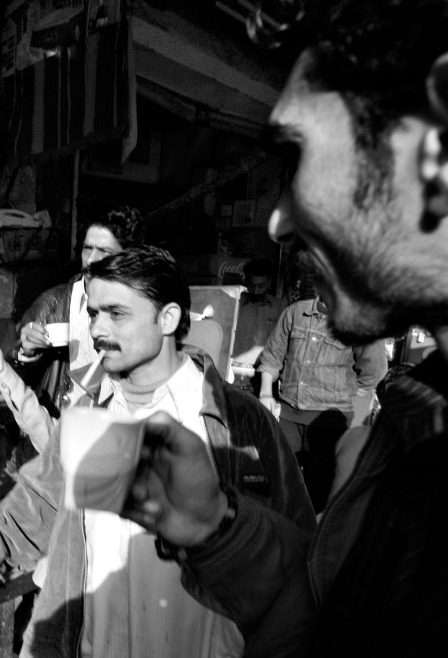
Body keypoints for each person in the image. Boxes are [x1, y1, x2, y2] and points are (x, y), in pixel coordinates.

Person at [121, 1, 448, 655]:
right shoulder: (417, 416)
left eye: (301, 154)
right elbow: (335, 613)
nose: (277, 222)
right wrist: (218, 526)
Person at [0, 246, 314, 657]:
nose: (98, 329)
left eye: (116, 314)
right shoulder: (89, 420)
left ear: (168, 318)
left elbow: (300, 561)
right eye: (93, 314)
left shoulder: (241, 425)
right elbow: (35, 507)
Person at [9, 206, 144, 419]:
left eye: (104, 252)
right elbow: (13, 386)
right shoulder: (54, 304)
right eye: (87, 249)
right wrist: (27, 353)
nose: (91, 260)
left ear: (126, 259)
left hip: (119, 424)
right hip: (59, 422)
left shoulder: (141, 308)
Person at [256, 294, 387, 509]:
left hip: (331, 422)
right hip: (289, 415)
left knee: (320, 492)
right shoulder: (295, 312)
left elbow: (373, 373)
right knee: (281, 481)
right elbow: (272, 357)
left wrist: (353, 412)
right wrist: (265, 394)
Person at [230, 257, 286, 393]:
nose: (255, 291)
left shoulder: (280, 308)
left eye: (261, 286)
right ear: (245, 281)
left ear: (269, 283)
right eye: (251, 285)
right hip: (236, 374)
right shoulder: (235, 304)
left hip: (266, 376)